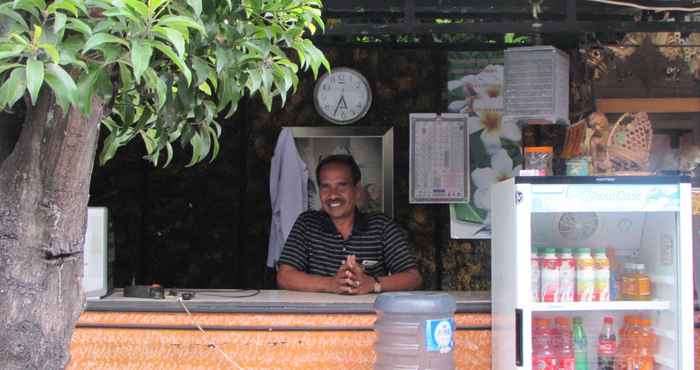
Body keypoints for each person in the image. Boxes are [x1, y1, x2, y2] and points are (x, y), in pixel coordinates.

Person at [276, 154, 422, 294]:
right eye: (325, 186)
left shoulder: (381, 226)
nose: (333, 195)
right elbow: (284, 276)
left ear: (357, 189)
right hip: (319, 316)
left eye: (342, 185)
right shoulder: (307, 223)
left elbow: (413, 278)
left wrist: (372, 284)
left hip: (369, 317)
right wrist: (331, 284)